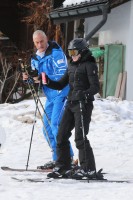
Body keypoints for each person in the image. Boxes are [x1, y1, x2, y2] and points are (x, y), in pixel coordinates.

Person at [44, 38, 103, 179]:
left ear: (82, 51)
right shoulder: (71, 65)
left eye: (74, 52)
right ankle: (62, 167)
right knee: (61, 134)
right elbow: (60, 84)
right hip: (71, 103)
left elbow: (95, 87)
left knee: (80, 137)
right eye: (70, 52)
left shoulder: (89, 65)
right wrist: (46, 81)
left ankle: (88, 169)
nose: (72, 55)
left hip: (83, 104)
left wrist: (84, 93)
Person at [22, 30, 74, 168]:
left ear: (46, 40)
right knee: (46, 128)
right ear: (34, 43)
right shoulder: (35, 58)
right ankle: (57, 158)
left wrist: (41, 77)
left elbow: (61, 75)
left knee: (56, 125)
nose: (40, 45)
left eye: (42, 41)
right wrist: (28, 79)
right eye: (37, 42)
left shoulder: (56, 53)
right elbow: (35, 79)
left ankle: (68, 158)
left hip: (61, 92)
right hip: (50, 96)